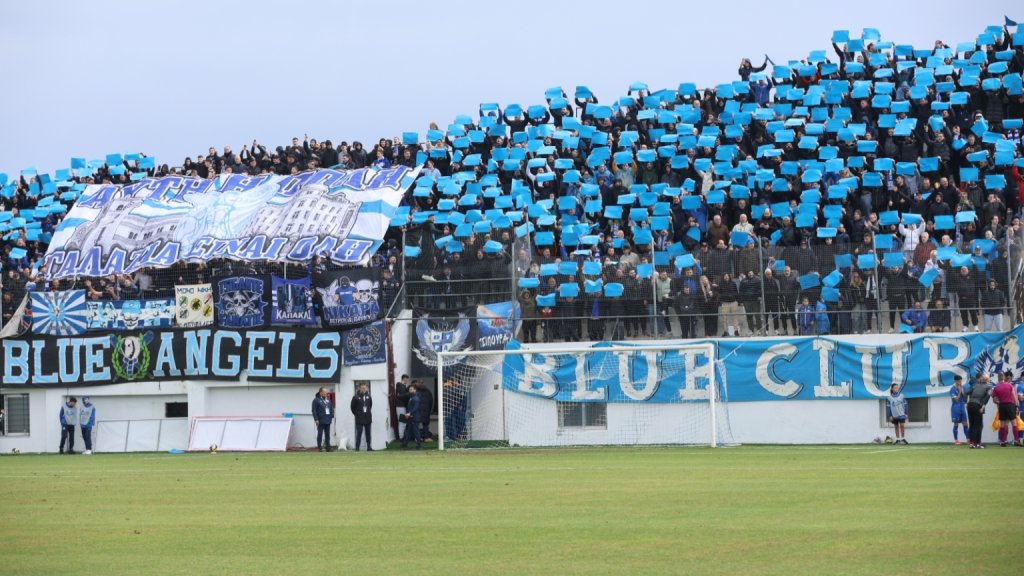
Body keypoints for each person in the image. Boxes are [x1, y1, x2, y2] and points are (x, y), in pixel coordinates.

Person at [991, 371, 1018, 447]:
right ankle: (1016, 440)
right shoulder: (1010, 385)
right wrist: (1016, 406)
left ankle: (1003, 441)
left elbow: (994, 400)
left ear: (998, 378)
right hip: (1010, 405)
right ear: (1004, 378)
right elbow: (1014, 397)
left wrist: (998, 402)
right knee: (1014, 423)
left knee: (1002, 424)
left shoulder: (996, 388)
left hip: (1002, 406)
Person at [965, 373, 992, 448]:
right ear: (988, 379)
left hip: (970, 405)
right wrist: (983, 406)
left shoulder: (975, 385)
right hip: (977, 405)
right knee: (979, 425)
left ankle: (971, 443)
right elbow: (988, 396)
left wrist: (965, 403)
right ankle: (978, 443)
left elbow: (966, 393)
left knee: (972, 424)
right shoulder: (989, 386)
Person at [350, 383, 373, 451]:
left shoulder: (368, 396)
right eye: (363, 388)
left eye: (365, 388)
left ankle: (369, 447)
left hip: (367, 418)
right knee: (359, 433)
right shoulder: (355, 397)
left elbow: (370, 405)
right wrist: (357, 414)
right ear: (359, 388)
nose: (364, 389)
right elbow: (352, 407)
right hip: (359, 418)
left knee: (368, 433)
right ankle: (357, 447)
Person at [311, 387, 334, 452]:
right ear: (321, 392)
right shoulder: (316, 400)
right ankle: (319, 447)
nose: (326, 393)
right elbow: (314, 410)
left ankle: (328, 447)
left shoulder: (328, 400)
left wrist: (331, 415)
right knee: (320, 434)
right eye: (325, 392)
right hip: (320, 420)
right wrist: (316, 419)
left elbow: (331, 408)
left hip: (327, 419)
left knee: (327, 434)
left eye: (326, 392)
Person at [949, 375, 970, 445]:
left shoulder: (963, 387)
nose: (960, 382)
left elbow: (965, 398)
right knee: (956, 424)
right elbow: (955, 399)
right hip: (956, 408)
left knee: (965, 423)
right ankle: (956, 440)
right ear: (955, 381)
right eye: (958, 381)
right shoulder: (952, 389)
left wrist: (962, 391)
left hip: (962, 407)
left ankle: (968, 439)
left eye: (960, 381)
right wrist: (960, 391)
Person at [401, 383, 423, 449]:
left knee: (415, 431)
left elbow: (416, 407)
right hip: (411, 417)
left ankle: (419, 445)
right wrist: (408, 413)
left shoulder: (415, 398)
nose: (410, 390)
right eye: (409, 389)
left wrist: (409, 413)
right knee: (409, 431)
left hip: (414, 417)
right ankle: (404, 444)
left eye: (411, 389)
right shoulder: (412, 397)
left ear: (415, 390)